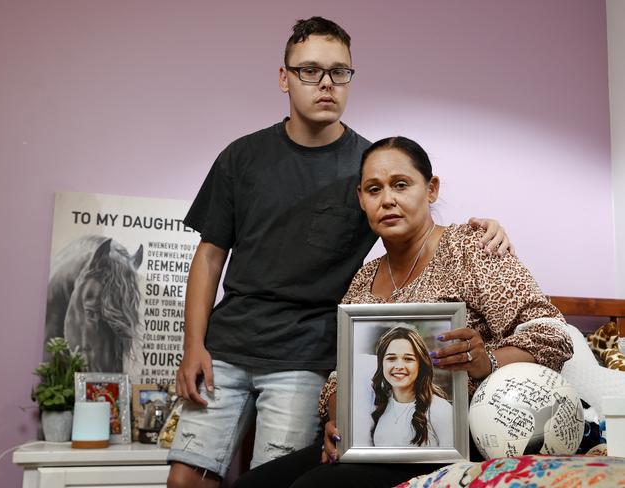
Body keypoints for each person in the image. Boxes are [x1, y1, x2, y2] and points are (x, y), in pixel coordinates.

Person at [167, 17, 513, 488]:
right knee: (184, 479)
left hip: (307, 357)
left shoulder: (369, 166)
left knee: (269, 479)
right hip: (225, 347)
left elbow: (414, 228)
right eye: (309, 70)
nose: (326, 83)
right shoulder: (241, 157)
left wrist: (487, 228)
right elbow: (209, 256)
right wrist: (193, 346)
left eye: (339, 71)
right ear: (284, 77)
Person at [232, 136, 573, 488]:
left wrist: (485, 360)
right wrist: (339, 421)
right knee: (250, 486)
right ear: (361, 199)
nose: (388, 200)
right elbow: (341, 377)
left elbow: (552, 335)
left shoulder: (472, 247)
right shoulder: (363, 279)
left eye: (400, 184)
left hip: (456, 435)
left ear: (431, 189)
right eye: (374, 189)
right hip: (378, 436)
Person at [369, 326, 452, 448]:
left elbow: (454, 464)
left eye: (408, 359)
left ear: (421, 364)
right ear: (382, 363)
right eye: (391, 358)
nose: (399, 366)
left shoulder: (440, 409)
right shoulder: (377, 405)